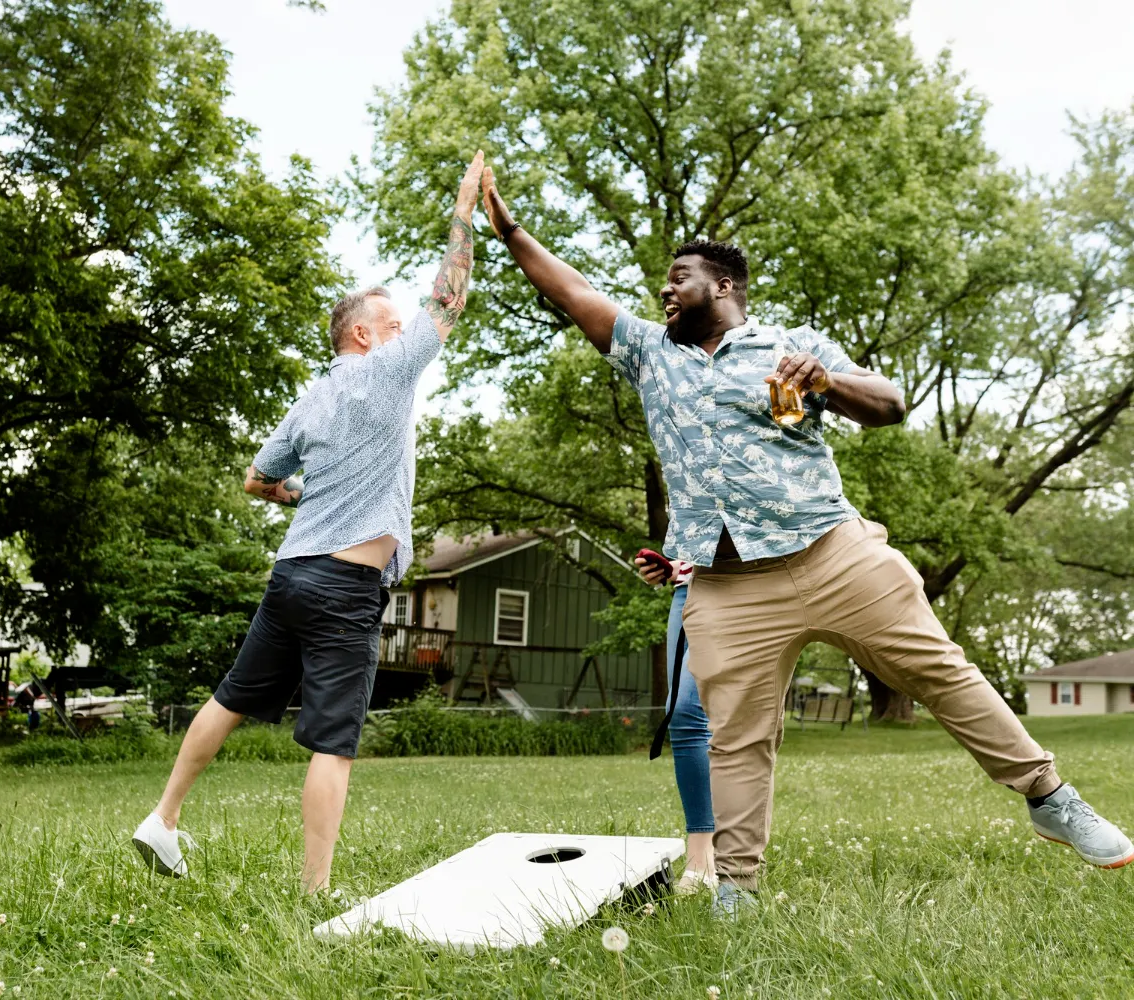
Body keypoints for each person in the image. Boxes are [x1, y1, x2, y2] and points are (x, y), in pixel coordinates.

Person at [479, 162, 1133, 910]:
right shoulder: (649, 355)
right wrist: (510, 229)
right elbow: (574, 293)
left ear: (721, 286)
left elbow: (889, 404)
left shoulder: (790, 346)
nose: (664, 289)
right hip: (727, 588)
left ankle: (1051, 798)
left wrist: (827, 382)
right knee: (737, 740)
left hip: (834, 555)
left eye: (679, 276)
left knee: (941, 672)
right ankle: (737, 890)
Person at [133, 152, 486, 894]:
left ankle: (162, 818)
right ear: (361, 335)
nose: (402, 332)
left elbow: (257, 479)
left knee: (230, 698)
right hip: (345, 586)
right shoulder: (387, 372)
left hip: (291, 576)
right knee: (334, 742)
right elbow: (449, 302)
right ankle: (314, 893)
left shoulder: (311, 397)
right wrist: (465, 207)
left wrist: (306, 500)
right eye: (390, 323)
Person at [637, 555, 717, 896]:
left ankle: (739, 855)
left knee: (749, 720)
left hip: (749, 584)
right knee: (683, 712)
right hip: (690, 589)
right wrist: (673, 568)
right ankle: (702, 859)